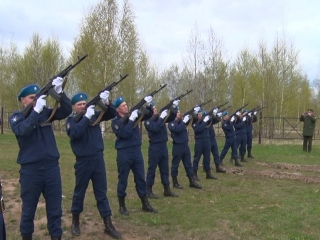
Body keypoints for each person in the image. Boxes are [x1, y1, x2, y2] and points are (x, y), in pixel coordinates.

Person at [9, 78, 72, 240]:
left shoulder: (45, 113)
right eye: (31, 97)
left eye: (37, 97)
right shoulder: (16, 117)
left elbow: (66, 111)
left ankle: (56, 236)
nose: (35, 100)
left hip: (51, 168)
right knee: (29, 210)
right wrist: (35, 111)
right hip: (31, 171)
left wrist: (60, 92)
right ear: (23, 100)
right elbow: (23, 130)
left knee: (55, 210)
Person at [66, 91, 121, 239]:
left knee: (101, 193)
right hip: (83, 161)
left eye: (85, 104)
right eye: (79, 105)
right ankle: (75, 222)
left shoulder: (94, 114)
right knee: (79, 193)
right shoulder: (71, 120)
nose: (83, 106)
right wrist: (86, 117)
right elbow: (75, 133)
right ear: (74, 107)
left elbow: (111, 114)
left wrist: (107, 102)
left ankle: (108, 224)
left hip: (98, 159)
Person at [111, 95, 158, 215]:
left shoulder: (132, 115)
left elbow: (148, 115)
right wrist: (131, 120)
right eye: (123, 106)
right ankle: (122, 205)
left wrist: (148, 105)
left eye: (126, 105)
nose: (126, 107)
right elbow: (125, 133)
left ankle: (145, 203)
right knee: (123, 180)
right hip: (124, 153)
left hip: (136, 151)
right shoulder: (115, 122)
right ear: (117, 109)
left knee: (140, 178)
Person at [144, 101, 179, 198]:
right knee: (152, 169)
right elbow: (155, 128)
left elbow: (171, 117)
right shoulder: (148, 121)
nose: (156, 110)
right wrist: (161, 118)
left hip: (163, 146)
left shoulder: (160, 119)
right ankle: (149, 190)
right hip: (155, 147)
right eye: (154, 109)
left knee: (165, 169)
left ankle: (167, 189)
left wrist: (174, 108)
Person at [168, 110, 202, 189]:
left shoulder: (182, 122)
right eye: (177, 112)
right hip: (177, 147)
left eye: (180, 112)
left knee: (188, 164)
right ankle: (175, 182)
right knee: (175, 165)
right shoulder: (171, 123)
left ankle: (192, 181)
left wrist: (194, 114)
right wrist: (184, 122)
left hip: (185, 146)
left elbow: (194, 120)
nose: (179, 113)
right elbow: (177, 129)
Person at [192, 107, 217, 181]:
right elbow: (198, 129)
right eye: (198, 114)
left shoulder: (206, 121)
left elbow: (214, 121)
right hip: (199, 141)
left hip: (206, 140)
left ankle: (208, 173)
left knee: (207, 158)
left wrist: (213, 114)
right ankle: (194, 173)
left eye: (201, 114)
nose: (199, 115)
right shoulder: (195, 123)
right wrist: (204, 122)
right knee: (197, 158)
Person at [208, 108, 226, 173]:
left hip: (213, 138)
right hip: (208, 138)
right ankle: (206, 167)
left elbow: (216, 120)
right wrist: (213, 114)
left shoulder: (211, 120)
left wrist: (218, 115)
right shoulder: (206, 120)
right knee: (207, 154)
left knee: (216, 153)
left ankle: (217, 167)